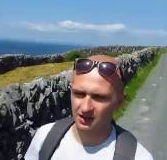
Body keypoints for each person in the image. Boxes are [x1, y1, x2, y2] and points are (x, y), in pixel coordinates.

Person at [25, 55, 153, 160]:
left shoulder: (138, 157)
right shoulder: (44, 137)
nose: (85, 108)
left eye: (99, 97)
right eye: (79, 94)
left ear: (120, 102)